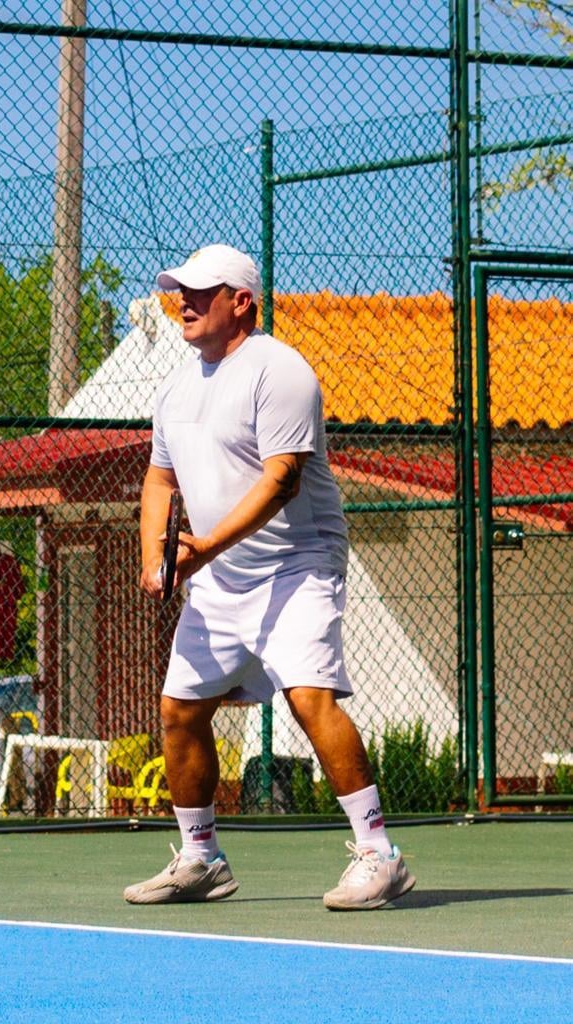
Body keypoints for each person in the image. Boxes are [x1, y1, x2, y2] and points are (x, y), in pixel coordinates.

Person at [124, 244, 416, 910]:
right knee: (179, 711)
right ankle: (201, 859)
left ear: (241, 302)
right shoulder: (175, 388)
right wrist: (155, 558)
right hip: (220, 578)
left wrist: (203, 549)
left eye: (202, 292)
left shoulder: (280, 372)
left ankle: (380, 854)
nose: (184, 302)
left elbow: (281, 480)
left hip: (297, 565)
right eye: (180, 291)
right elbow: (160, 479)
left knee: (309, 698)